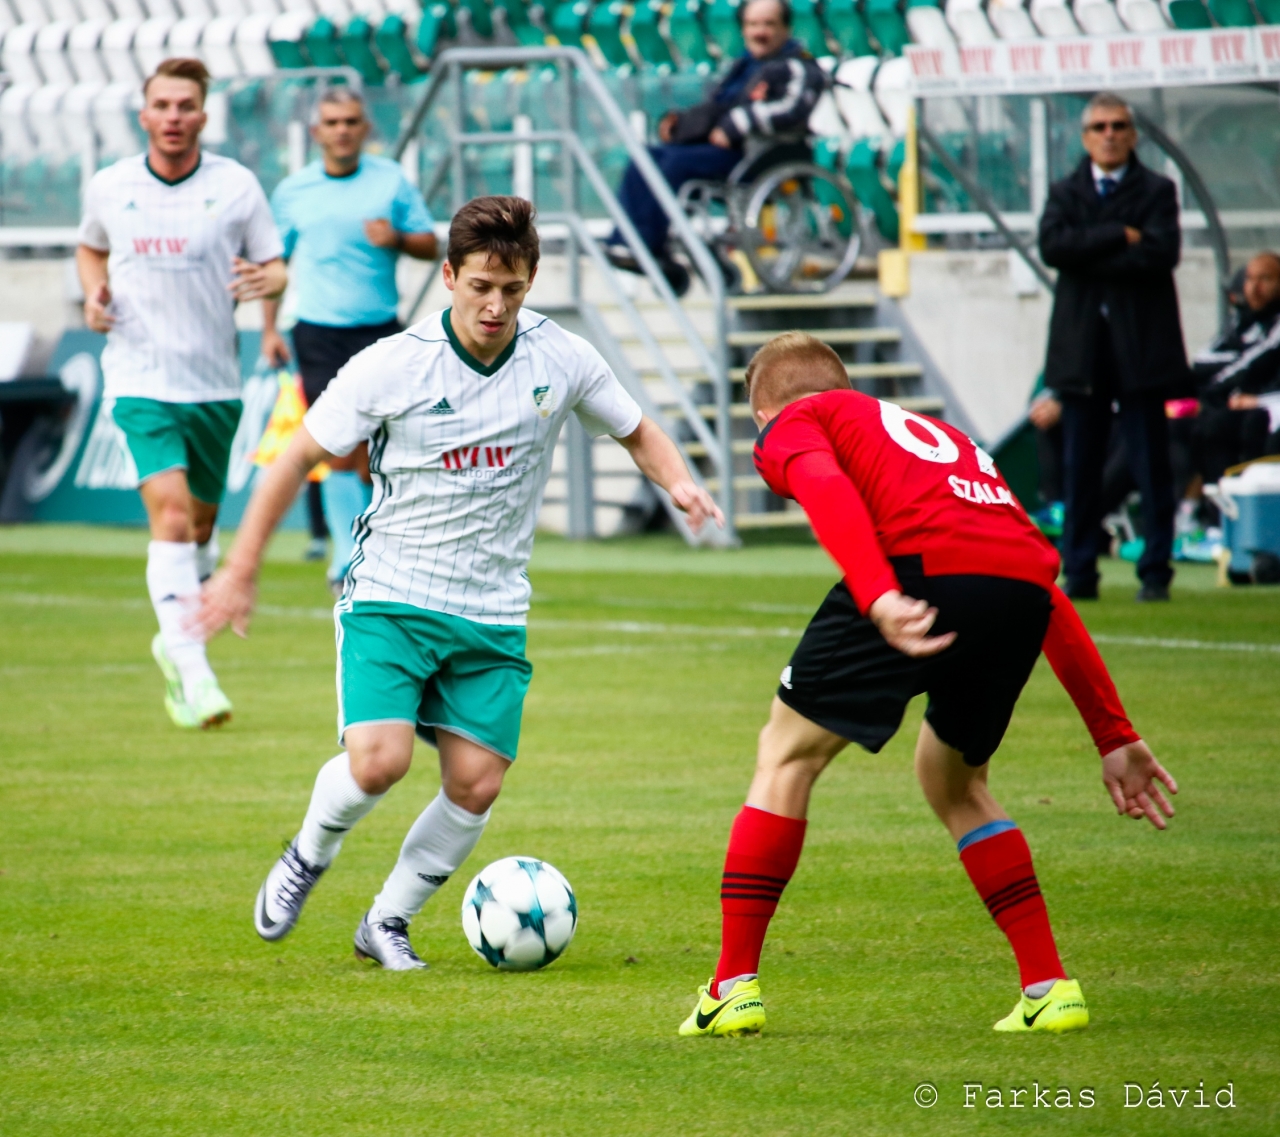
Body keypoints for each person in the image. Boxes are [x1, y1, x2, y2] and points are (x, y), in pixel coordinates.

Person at [196, 197, 722, 969]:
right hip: (393, 594)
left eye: (511, 288)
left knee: (476, 785)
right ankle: (308, 853)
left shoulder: (562, 357)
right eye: (479, 285)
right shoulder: (393, 365)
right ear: (448, 276)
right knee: (379, 761)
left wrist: (679, 484)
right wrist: (241, 569)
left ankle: (387, 920)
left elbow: (637, 429)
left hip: (492, 608)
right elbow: (291, 457)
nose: (495, 304)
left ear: (531, 279)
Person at [677, 333, 1177, 1038]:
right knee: (953, 779)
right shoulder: (941, 439)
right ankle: (1048, 985)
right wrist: (1113, 734)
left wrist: (878, 594)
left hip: (912, 574)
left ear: (765, 414)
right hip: (1010, 597)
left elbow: (823, 484)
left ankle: (732, 985)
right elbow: (1035, 579)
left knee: (786, 754)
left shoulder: (795, 420)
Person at [76, 57, 286, 730]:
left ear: (202, 115)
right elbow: (90, 248)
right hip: (139, 377)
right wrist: (93, 294)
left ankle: (175, 638)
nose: (172, 117)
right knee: (168, 519)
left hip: (215, 387)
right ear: (144, 115)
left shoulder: (236, 186)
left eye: (184, 106)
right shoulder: (111, 186)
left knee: (197, 528)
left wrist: (267, 281)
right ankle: (194, 674)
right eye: (161, 105)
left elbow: (277, 266)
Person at [262, 85, 438, 593]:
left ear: (365, 128)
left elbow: (430, 243)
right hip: (317, 331)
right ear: (316, 132)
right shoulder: (295, 191)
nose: (342, 130)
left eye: (351, 121)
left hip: (379, 329)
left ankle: (368, 544)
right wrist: (269, 327)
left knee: (371, 448)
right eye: (333, 122)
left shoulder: (391, 182)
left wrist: (398, 239)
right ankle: (347, 556)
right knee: (339, 441)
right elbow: (276, 263)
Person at [1039, 92, 1189, 603]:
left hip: (1142, 349)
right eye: (1099, 126)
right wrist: (1116, 236)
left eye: (1118, 125)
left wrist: (1091, 249)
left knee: (1152, 464)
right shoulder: (1065, 191)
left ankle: (1155, 571)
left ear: (1132, 134)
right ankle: (1080, 571)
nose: (1109, 134)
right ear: (1085, 137)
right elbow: (1053, 248)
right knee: (1080, 467)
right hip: (1083, 351)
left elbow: (1160, 253)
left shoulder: (1158, 190)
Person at [604, 0, 825, 295]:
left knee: (673, 165)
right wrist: (683, 124)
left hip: (761, 154)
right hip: (726, 150)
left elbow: (793, 108)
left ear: (785, 28)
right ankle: (632, 245)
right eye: (752, 24)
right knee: (646, 157)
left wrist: (737, 123)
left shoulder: (799, 65)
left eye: (768, 24)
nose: (759, 32)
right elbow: (717, 106)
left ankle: (645, 246)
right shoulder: (744, 65)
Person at [1189, 251, 1280, 485]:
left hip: (1266, 405)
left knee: (1243, 425)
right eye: (1249, 279)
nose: (1253, 288)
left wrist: (1256, 399)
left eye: (1265, 280)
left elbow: (1258, 359)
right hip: (1242, 399)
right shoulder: (1241, 320)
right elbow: (1202, 361)